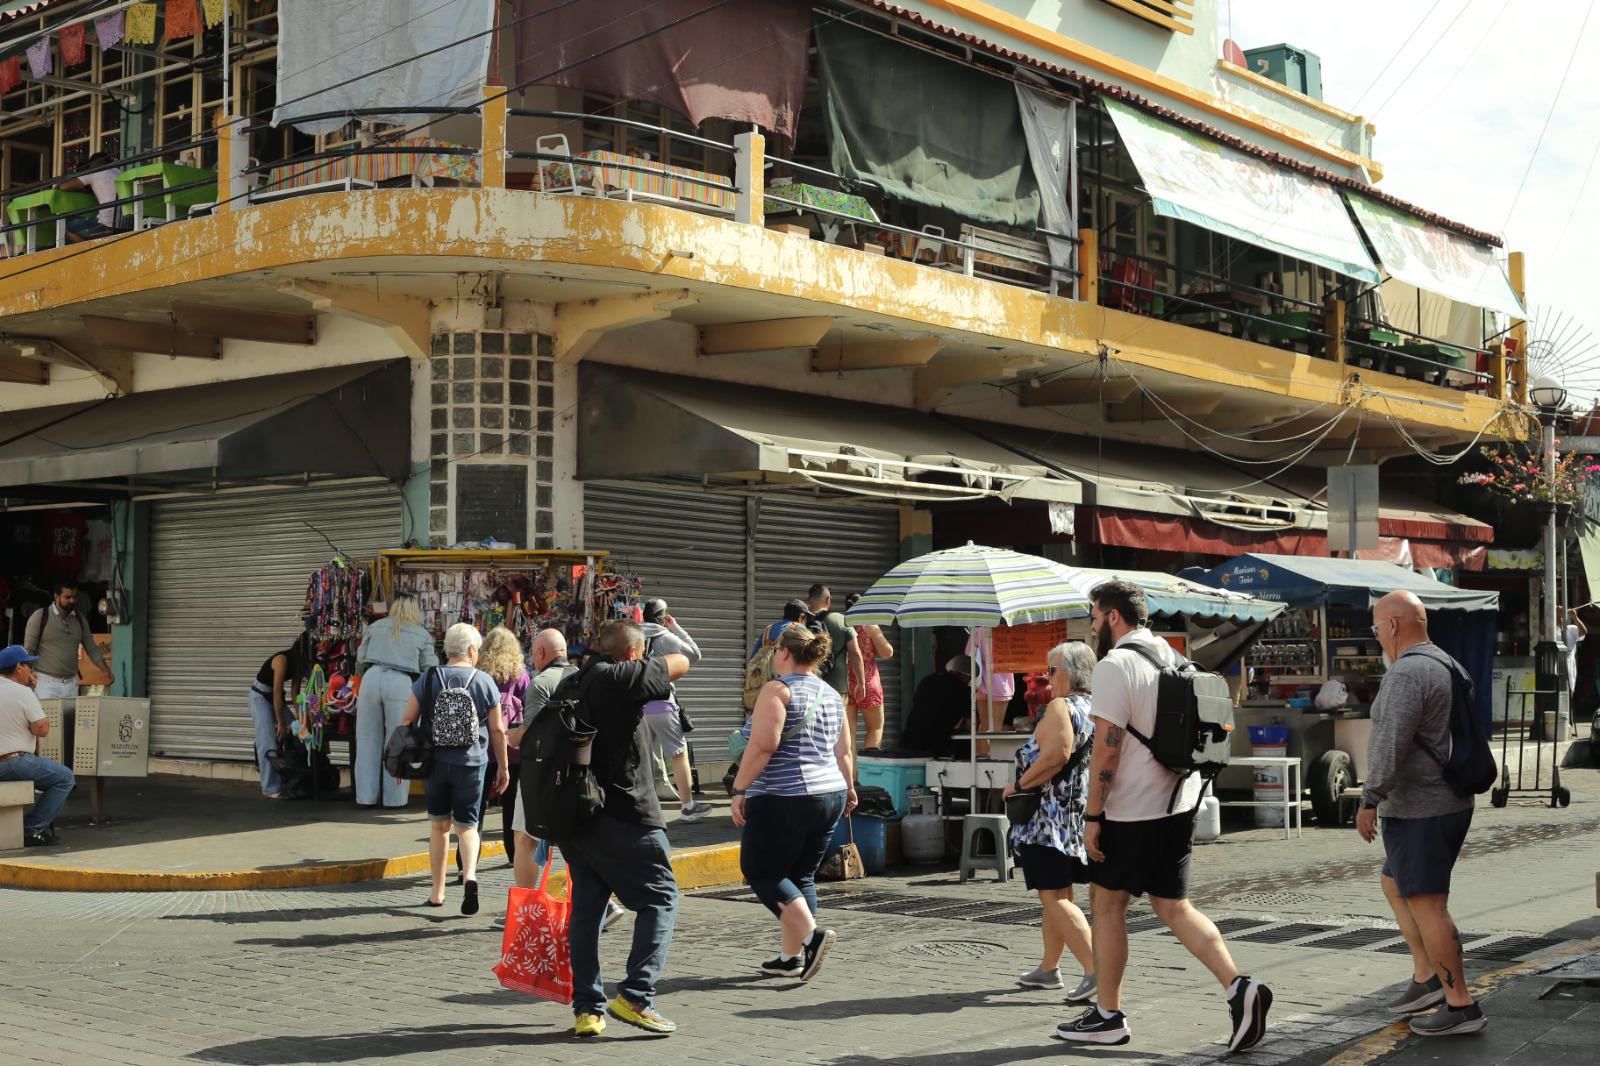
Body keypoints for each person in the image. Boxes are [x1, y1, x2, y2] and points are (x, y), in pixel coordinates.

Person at [1057, 580, 1271, 1051]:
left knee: (1108, 905)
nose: (1092, 623)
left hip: (1132, 810)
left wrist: (1093, 815)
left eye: (1094, 614)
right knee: (1173, 905)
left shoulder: (1116, 665)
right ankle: (1240, 988)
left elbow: (1107, 751)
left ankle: (1108, 1015)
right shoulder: (1173, 657)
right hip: (1179, 802)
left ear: (1113, 617)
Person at [549, 620, 691, 1039]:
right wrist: (652, 652)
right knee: (662, 897)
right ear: (632, 653)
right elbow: (683, 661)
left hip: (576, 819)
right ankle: (635, 995)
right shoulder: (620, 677)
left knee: (588, 909)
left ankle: (588, 1010)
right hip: (625, 814)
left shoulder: (571, 684)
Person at [1359, 590, 1485, 1037]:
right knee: (1394, 882)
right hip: (1445, 801)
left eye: (1375, 628)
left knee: (1429, 905)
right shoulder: (1448, 663)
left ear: (1392, 625)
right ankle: (1426, 976)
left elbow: (1390, 741)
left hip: (1421, 809)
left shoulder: (1407, 673)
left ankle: (1461, 1005)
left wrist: (1369, 798)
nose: (1376, 637)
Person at [731, 625, 856, 983]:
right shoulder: (832, 693)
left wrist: (740, 789)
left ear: (783, 653)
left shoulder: (777, 689)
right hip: (829, 794)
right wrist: (849, 788)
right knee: (800, 875)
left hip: (784, 797)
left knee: (762, 872)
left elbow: (763, 746)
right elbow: (844, 750)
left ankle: (812, 936)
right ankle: (791, 957)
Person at [506, 627, 626, 933]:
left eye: (533, 654)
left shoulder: (540, 684)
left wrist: (512, 735)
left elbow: (533, 734)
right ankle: (604, 904)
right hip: (585, 773)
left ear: (542, 654)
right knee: (578, 842)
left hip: (545, 773)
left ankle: (528, 909)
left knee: (525, 837)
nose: (533, 660)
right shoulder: (588, 677)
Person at [1004, 641, 1095, 1003]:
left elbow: (1057, 755)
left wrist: (1019, 786)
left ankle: (1095, 971)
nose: (1047, 676)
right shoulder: (1093, 707)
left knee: (1054, 898)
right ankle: (1048, 969)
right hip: (1073, 817)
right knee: (1060, 896)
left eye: (1052, 670)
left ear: (1071, 673)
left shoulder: (1060, 706)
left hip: (1047, 820)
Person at [398, 622, 507, 916]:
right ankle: (469, 875)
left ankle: (437, 893)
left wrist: (400, 763)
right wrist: (504, 768)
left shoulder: (428, 678)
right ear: (472, 649)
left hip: (435, 765)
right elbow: (497, 730)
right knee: (468, 827)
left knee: (439, 826)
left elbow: (407, 721)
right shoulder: (484, 681)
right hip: (472, 765)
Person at [353, 595, 437, 807]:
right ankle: (394, 800)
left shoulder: (376, 626)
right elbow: (430, 668)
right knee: (399, 741)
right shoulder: (421, 634)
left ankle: (366, 797)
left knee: (367, 740)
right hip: (401, 683)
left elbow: (361, 658)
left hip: (371, 679)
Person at [639, 599, 711, 822]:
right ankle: (688, 806)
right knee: (679, 755)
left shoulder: (634, 636)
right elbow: (695, 654)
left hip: (638, 704)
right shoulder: (665, 637)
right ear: (663, 617)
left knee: (641, 757)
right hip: (662, 702)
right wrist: (676, 628)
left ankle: (643, 808)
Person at [0, 645, 75, 846]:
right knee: (65, 778)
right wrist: (32, 692)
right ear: (18, 667)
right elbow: (41, 729)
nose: (31, 671)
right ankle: (31, 829)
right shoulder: (22, 692)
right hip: (13, 762)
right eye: (29, 666)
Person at [476, 626, 529, 860]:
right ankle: (512, 855)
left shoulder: (479, 674)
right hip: (512, 748)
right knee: (511, 805)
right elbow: (529, 707)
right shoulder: (520, 675)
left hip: (482, 747)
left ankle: (465, 861)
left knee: (477, 805)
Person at [23, 581, 108, 700]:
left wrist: (106, 671)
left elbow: (92, 648)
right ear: (56, 596)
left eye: (75, 597)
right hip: (45, 684)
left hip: (71, 684)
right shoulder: (40, 617)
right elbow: (28, 652)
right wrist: (26, 680)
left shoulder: (80, 619)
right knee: (47, 719)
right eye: (67, 597)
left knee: (70, 719)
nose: (72, 601)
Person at [248, 636, 310, 799]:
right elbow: (276, 693)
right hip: (260, 697)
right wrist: (280, 723)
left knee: (296, 734)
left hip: (276, 699)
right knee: (268, 739)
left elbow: (295, 693)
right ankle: (269, 787)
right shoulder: (281, 661)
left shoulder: (299, 665)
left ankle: (288, 779)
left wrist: (300, 719)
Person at [843, 592, 894, 752]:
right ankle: (868, 773)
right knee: (875, 729)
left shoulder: (842, 625)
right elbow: (887, 653)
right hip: (868, 682)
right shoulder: (869, 626)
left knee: (849, 733)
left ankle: (851, 775)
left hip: (846, 682)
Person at [900, 655, 971, 758]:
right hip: (937, 745)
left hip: (909, 739)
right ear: (965, 675)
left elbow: (917, 704)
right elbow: (971, 726)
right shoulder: (965, 691)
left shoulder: (928, 679)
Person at [807, 584, 865, 707]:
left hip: (810, 687)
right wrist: (861, 683)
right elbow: (855, 653)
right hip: (837, 687)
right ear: (828, 599)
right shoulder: (841, 620)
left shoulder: (802, 622)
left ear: (809, 601)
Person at [60, 152, 121, 243]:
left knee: (68, 228)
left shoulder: (94, 173)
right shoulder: (118, 172)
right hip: (125, 220)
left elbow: (64, 186)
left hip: (108, 223)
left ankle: (88, 249)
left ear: (93, 164)